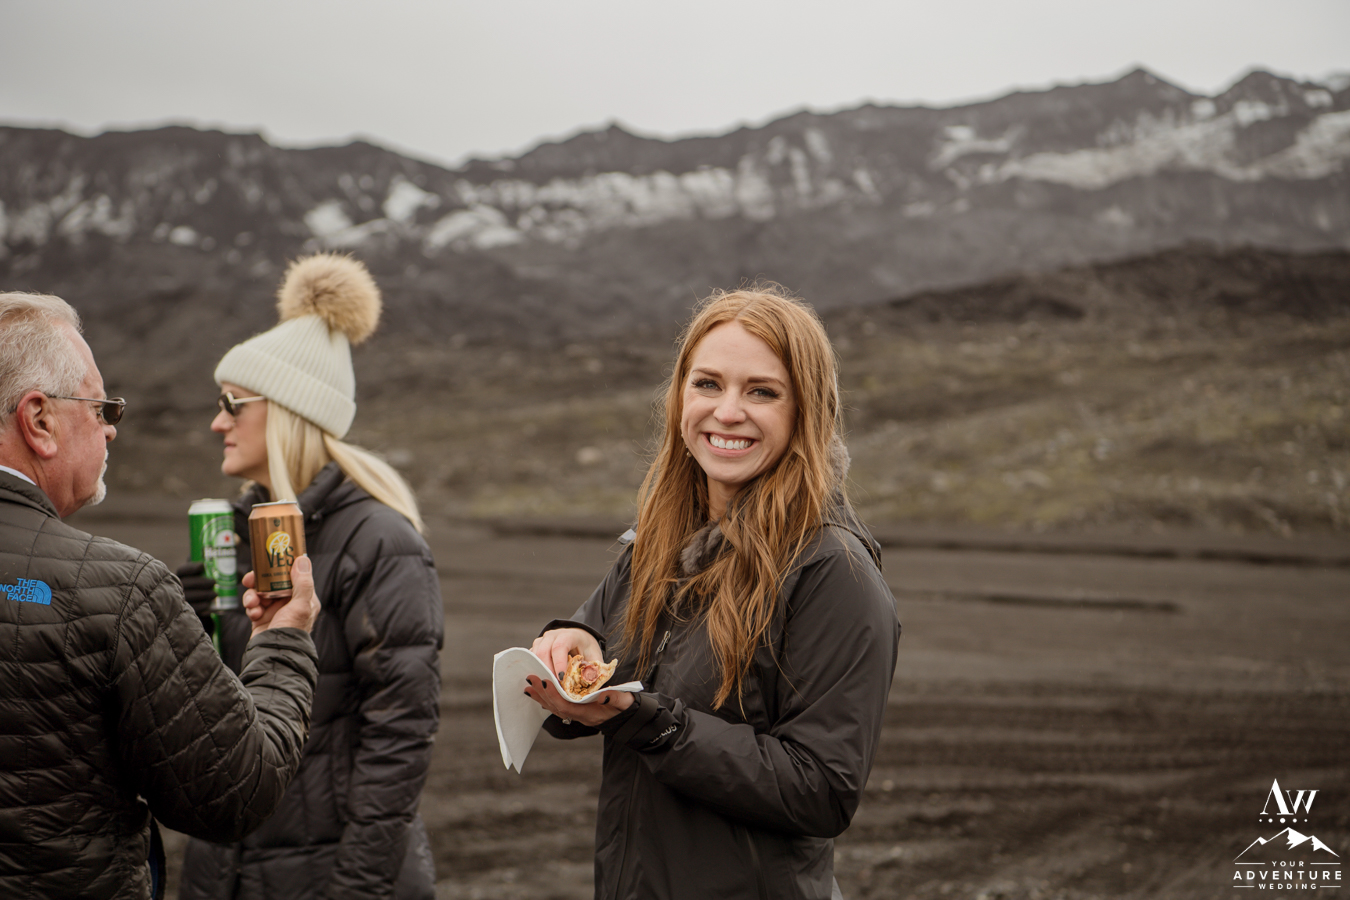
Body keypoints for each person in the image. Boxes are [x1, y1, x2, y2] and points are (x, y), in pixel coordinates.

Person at [524, 285, 902, 900]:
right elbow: (589, 664)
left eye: (762, 391)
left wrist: (655, 727)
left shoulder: (834, 572)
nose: (727, 412)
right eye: (707, 384)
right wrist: (569, 641)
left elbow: (822, 791)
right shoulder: (662, 542)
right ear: (679, 397)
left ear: (807, 411)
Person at [0, 291, 322, 900]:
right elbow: (234, 789)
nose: (111, 428)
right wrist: (283, 640)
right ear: (39, 420)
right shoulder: (121, 590)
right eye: (102, 407)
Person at [178, 253, 445, 900]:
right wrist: (187, 629)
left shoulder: (379, 541)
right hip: (229, 869)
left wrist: (357, 887)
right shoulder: (236, 536)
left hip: (331, 876)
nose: (217, 421)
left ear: (287, 411)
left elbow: (399, 740)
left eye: (232, 403)